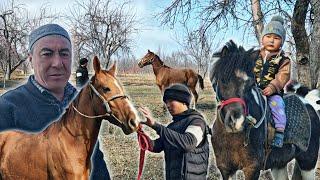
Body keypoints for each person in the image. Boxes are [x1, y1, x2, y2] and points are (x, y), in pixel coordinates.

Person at [0, 24, 110, 179]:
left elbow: (97, 164)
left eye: (64, 54)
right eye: (47, 53)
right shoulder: (6, 107)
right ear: (31, 59)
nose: (58, 63)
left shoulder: (83, 104)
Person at [139, 83, 210, 180]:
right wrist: (138, 131)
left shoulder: (197, 122)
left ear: (184, 102)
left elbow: (188, 143)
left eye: (171, 101)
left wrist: (155, 125)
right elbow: (155, 146)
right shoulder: (171, 127)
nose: (167, 105)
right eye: (166, 102)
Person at [253, 15, 291, 148]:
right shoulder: (254, 55)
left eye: (276, 38)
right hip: (254, 90)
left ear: (281, 41)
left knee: (277, 105)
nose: (271, 40)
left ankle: (280, 132)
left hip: (272, 92)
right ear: (262, 38)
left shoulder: (283, 59)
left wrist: (273, 87)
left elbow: (283, 76)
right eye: (268, 36)